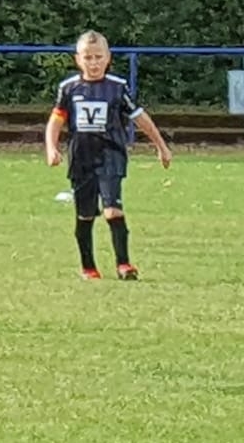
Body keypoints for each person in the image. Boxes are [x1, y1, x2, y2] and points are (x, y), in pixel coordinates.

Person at [45, 30, 173, 280]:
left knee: (112, 210)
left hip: (110, 155)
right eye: (88, 57)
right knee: (85, 215)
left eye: (98, 57)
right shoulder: (68, 88)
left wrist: (161, 146)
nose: (93, 63)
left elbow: (140, 118)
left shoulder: (117, 87)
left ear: (108, 58)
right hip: (81, 158)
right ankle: (88, 267)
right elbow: (55, 121)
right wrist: (51, 148)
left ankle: (124, 264)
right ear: (78, 59)